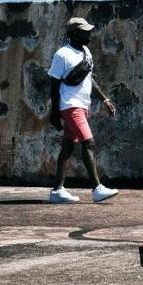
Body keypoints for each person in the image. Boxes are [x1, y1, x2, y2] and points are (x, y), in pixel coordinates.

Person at [46, 16, 119, 203]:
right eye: (85, 32)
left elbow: (89, 78)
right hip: (70, 106)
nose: (90, 35)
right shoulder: (62, 55)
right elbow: (54, 85)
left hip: (82, 105)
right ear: (74, 34)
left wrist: (105, 98)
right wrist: (54, 112)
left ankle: (57, 191)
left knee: (68, 147)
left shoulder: (86, 52)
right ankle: (97, 188)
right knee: (89, 143)